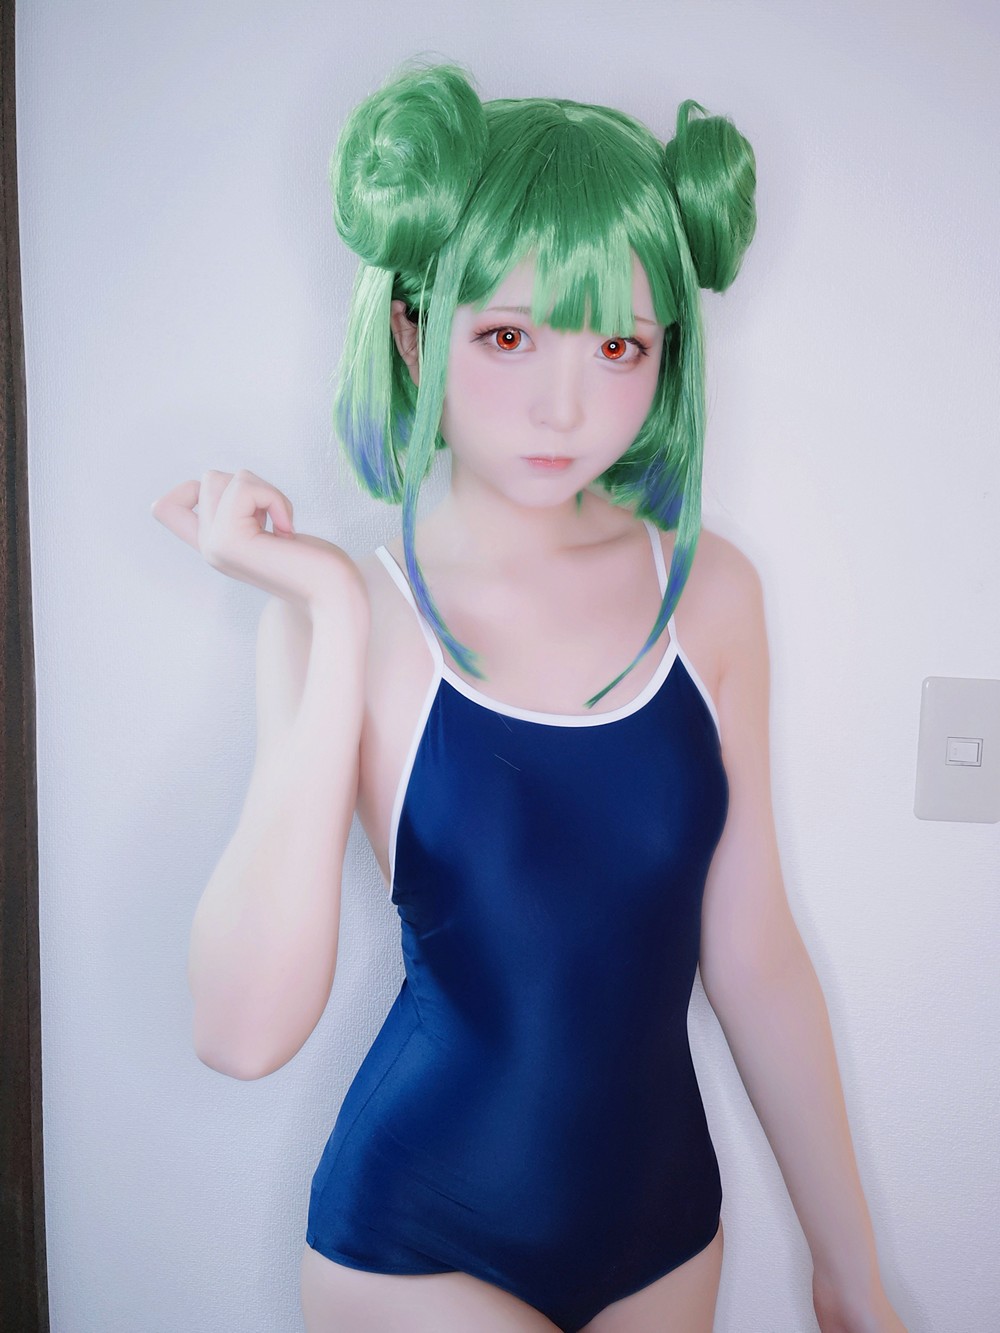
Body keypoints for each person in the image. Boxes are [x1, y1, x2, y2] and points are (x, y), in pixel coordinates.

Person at [152, 63, 907, 1333]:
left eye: (618, 346)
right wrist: (330, 606)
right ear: (412, 331)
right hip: (419, 1243)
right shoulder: (348, 612)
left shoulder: (710, 591)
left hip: (668, 1235)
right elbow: (241, 1032)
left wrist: (850, 1272)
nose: (567, 404)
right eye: (508, 336)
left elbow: (754, 952)